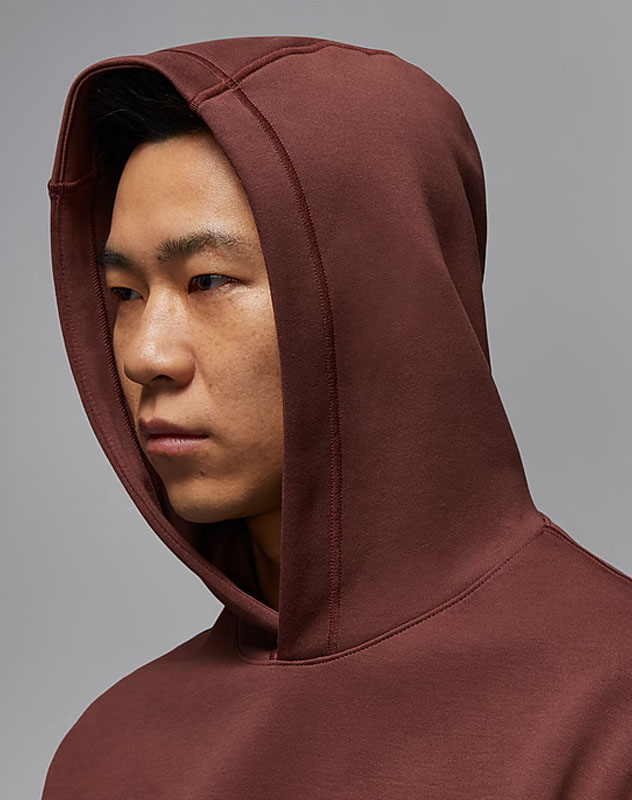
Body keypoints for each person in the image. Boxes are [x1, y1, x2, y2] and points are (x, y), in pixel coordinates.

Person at [42, 35, 632, 798]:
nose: (146, 354)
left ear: (379, 295)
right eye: (124, 293)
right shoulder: (108, 754)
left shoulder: (608, 705)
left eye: (208, 280)